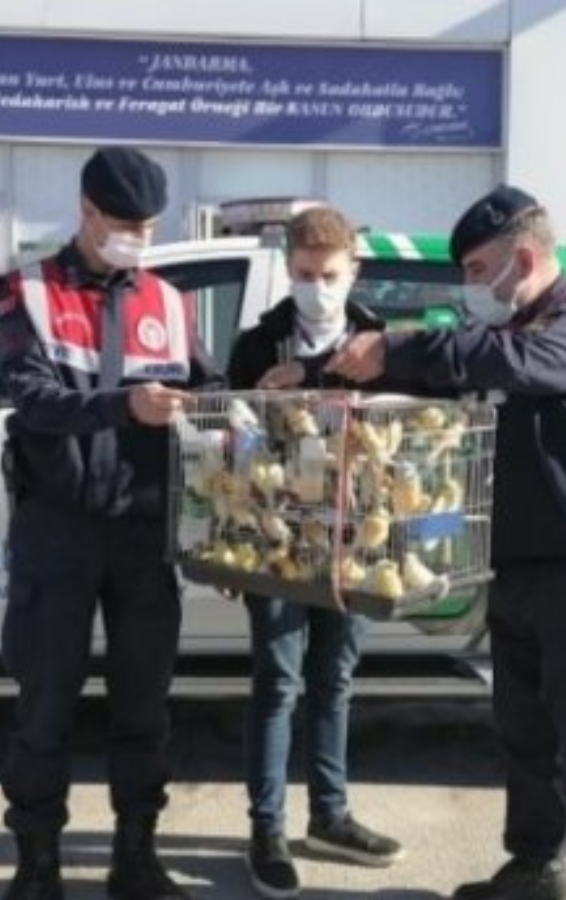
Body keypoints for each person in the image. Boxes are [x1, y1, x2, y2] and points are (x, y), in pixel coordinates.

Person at [326, 185, 566, 900]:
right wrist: (329, 373)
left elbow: (505, 362)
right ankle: (537, 868)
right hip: (517, 570)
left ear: (525, 260)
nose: (470, 288)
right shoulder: (510, 334)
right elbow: (445, 379)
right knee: (525, 739)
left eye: (478, 271)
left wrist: (395, 343)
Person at [0, 145, 225, 900]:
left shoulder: (170, 302)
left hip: (145, 530)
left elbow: (211, 389)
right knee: (45, 703)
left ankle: (136, 858)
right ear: (86, 210)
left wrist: (242, 403)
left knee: (144, 703)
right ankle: (37, 867)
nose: (137, 238)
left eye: (147, 227)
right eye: (124, 224)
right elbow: (33, 400)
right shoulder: (25, 291)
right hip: (57, 528)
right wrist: (124, 405)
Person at [225, 205, 404, 899]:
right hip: (279, 542)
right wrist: (237, 543)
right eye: (304, 274)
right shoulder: (256, 344)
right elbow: (229, 447)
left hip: (355, 540)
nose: (317, 288)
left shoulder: (381, 340)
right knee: (278, 682)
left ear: (353, 269)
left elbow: (407, 437)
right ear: (288, 269)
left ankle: (330, 816)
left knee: (335, 679)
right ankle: (266, 829)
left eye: (330, 275)